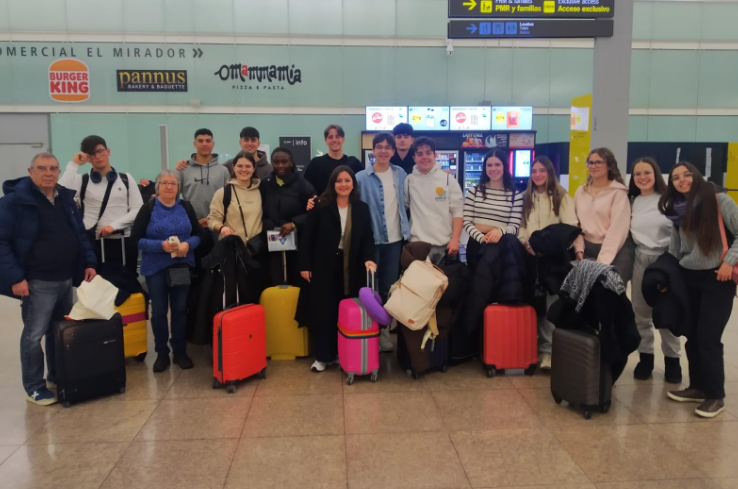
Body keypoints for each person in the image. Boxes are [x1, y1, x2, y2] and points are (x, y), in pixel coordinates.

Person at [0, 152, 97, 405]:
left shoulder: (64, 198)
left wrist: (89, 262)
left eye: (53, 168)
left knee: (60, 332)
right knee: (34, 335)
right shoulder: (14, 202)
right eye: (42, 168)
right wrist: (15, 277)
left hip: (66, 278)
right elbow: (2, 243)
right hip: (36, 282)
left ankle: (57, 375)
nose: (48, 173)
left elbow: (79, 234)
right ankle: (34, 387)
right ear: (30, 171)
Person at [660, 162, 738, 418]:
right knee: (692, 334)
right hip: (688, 277)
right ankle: (698, 387)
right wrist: (667, 276)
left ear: (697, 176)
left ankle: (715, 395)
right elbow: (675, 249)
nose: (682, 180)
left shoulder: (719, 200)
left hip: (718, 277)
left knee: (708, 337)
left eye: (687, 175)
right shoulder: (677, 210)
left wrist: (729, 262)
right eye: (675, 178)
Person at [297, 166, 376, 372]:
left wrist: (369, 258)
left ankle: (344, 353)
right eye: (339, 180)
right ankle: (323, 357)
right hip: (323, 265)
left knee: (347, 311)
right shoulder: (320, 206)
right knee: (324, 312)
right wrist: (305, 264)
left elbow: (368, 238)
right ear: (332, 184)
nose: (343, 184)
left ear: (353, 184)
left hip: (351, 267)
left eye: (347, 180)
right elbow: (307, 237)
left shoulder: (361, 208)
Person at [131, 170, 202, 373]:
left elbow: (199, 234)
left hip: (181, 266)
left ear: (178, 187)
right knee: (159, 311)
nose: (169, 186)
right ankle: (161, 353)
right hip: (156, 268)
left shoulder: (186, 207)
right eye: (165, 183)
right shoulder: (148, 208)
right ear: (158, 187)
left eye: (173, 183)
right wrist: (160, 246)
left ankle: (179, 351)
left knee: (180, 309)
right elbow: (135, 240)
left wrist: (188, 245)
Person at [518, 156, 579, 370]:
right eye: (534, 171)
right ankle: (531, 347)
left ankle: (549, 351)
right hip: (530, 258)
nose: (538, 175)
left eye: (542, 170)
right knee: (534, 303)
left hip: (553, 260)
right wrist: (525, 242)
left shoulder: (562, 197)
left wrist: (550, 245)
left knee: (551, 305)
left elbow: (570, 227)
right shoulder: (525, 197)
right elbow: (521, 225)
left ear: (550, 172)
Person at [628, 157, 682, 383]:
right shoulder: (633, 201)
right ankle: (646, 358)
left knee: (666, 312)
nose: (642, 177)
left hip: (665, 260)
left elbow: (680, 234)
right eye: (637, 173)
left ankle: (673, 360)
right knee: (641, 312)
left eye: (647, 172)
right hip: (640, 258)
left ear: (656, 174)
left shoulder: (669, 200)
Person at [356, 132, 410, 353]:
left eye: (388, 147)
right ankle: (369, 331)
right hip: (372, 239)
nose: (384, 151)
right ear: (373, 150)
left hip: (395, 239)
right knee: (370, 288)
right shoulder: (361, 177)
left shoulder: (401, 174)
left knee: (389, 287)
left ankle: (384, 331)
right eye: (379, 147)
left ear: (393, 151)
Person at [59, 135, 143, 274]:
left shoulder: (126, 179)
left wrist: (114, 226)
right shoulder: (82, 180)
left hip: (123, 241)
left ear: (108, 151)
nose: (97, 156)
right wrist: (74, 164)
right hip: (93, 243)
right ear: (87, 158)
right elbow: (59, 193)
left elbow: (138, 209)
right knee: (95, 285)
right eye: (91, 154)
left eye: (100, 151)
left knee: (126, 284)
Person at [208, 151, 266, 302]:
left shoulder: (262, 191)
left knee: (256, 295)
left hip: (256, 253)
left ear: (254, 168)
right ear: (233, 167)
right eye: (240, 166)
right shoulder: (223, 192)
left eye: (248, 166)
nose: (243, 169)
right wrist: (221, 228)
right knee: (235, 296)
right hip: (232, 254)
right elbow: (212, 219)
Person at [573, 148, 632, 281]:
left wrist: (601, 262)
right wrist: (579, 248)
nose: (593, 166)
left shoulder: (618, 193)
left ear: (609, 165)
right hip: (587, 249)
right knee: (589, 292)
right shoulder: (580, 192)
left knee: (611, 292)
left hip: (615, 251)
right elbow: (575, 223)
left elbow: (617, 231)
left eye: (598, 162)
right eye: (590, 162)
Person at [404, 137, 464, 265]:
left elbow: (458, 211)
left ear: (435, 155)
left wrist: (455, 239)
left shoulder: (448, 179)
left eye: (428, 153)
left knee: (446, 278)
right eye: (420, 154)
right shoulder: (409, 181)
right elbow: (404, 207)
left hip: (445, 246)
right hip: (418, 246)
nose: (424, 157)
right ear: (414, 158)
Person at [261, 147, 316, 286]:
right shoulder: (265, 184)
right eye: (276, 162)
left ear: (291, 162)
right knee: (273, 281)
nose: (280, 165)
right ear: (272, 163)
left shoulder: (303, 184)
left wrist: (294, 223)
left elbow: (315, 212)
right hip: (270, 242)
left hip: (296, 243)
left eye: (284, 161)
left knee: (295, 281)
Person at [463, 148, 524, 271]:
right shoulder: (474, 191)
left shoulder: (515, 195)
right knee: (475, 280)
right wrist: (481, 238)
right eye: (489, 165)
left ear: (504, 166)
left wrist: (500, 231)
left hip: (501, 247)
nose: (493, 168)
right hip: (476, 245)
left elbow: (515, 226)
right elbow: (466, 221)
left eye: (497, 164)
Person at [176, 128, 231, 228]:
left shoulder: (223, 171)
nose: (204, 144)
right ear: (195, 144)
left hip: (216, 225)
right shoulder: (183, 169)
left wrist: (212, 219)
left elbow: (228, 201)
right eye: (200, 141)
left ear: (213, 144)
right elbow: (173, 197)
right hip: (190, 225)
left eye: (208, 141)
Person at [304, 124, 364, 196]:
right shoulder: (315, 163)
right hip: (323, 203)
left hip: (349, 203)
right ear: (326, 140)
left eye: (337, 137)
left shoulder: (354, 163)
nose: (334, 140)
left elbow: (363, 185)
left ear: (343, 139)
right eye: (330, 137)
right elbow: (307, 189)